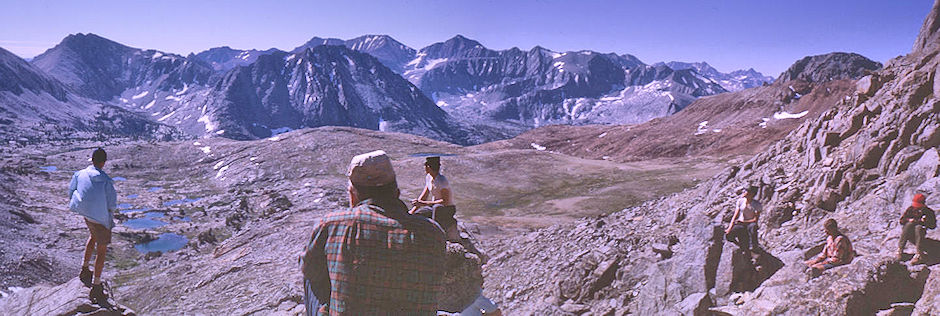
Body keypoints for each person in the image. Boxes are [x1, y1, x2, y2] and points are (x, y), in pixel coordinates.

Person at [300, 150, 446, 315]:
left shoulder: (331, 224)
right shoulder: (434, 233)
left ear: (353, 195)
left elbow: (309, 269)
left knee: (311, 273)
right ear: (396, 193)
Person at [68, 148, 117, 303]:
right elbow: (112, 204)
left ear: (92, 160)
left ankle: (84, 269)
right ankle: (96, 286)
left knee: (92, 236)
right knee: (101, 250)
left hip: (86, 215)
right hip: (100, 219)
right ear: (103, 162)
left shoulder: (80, 173)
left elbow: (71, 190)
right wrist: (109, 218)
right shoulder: (106, 180)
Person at [411, 156, 460, 241]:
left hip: (447, 208)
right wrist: (413, 210)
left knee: (437, 209)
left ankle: (436, 236)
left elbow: (445, 201)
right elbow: (424, 195)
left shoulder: (442, 181)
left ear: (428, 167)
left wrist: (423, 203)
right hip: (433, 207)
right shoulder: (429, 178)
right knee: (419, 215)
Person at [898, 193, 937, 264]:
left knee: (918, 227)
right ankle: (900, 249)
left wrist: (926, 221)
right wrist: (909, 220)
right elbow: (901, 220)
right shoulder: (911, 209)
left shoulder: (929, 212)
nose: (916, 207)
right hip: (909, 232)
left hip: (920, 233)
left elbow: (933, 226)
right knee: (909, 224)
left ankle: (919, 254)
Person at [725, 186, 762, 256]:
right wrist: (729, 228)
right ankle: (739, 246)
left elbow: (755, 220)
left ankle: (753, 246)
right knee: (728, 235)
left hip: (750, 224)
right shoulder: (740, 201)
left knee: (753, 227)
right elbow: (735, 216)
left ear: (751, 194)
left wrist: (744, 222)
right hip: (740, 224)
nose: (743, 192)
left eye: (746, 191)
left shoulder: (757, 205)